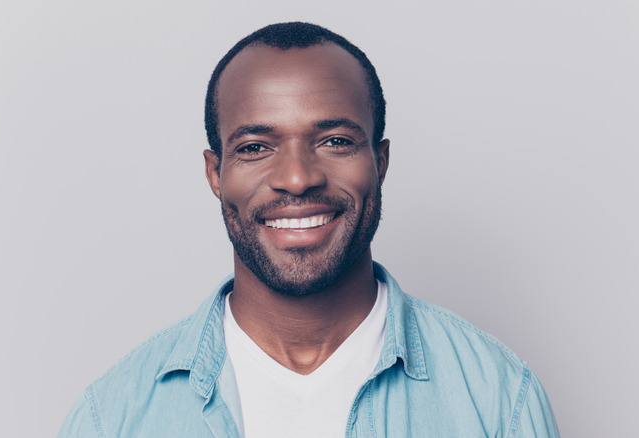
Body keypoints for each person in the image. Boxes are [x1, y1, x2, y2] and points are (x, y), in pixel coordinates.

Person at [58, 22, 560, 438]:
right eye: (256, 147)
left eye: (335, 140)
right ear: (216, 173)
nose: (297, 178)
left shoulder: (497, 398)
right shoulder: (113, 418)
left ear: (379, 162)